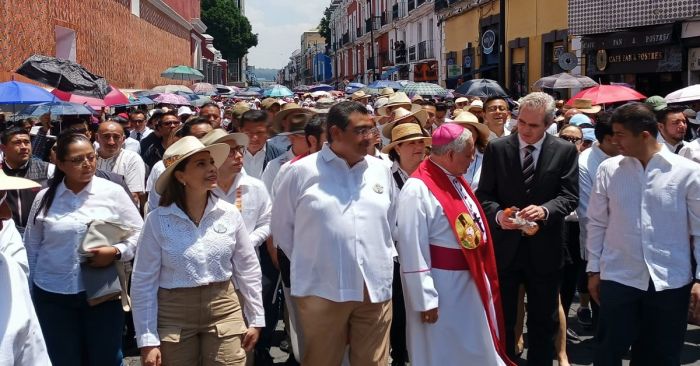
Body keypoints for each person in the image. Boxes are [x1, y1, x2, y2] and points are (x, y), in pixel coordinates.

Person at [271, 101, 397, 366]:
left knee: (374, 361)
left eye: (372, 129)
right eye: (361, 130)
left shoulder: (381, 170)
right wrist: (318, 261)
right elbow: (283, 230)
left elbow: (389, 221)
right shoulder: (298, 172)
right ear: (336, 133)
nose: (370, 137)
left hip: (374, 289)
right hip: (322, 291)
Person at [131, 136, 265, 366]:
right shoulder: (157, 221)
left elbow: (248, 268)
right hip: (173, 312)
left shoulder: (229, 213)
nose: (212, 168)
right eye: (201, 164)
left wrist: (256, 317)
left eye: (211, 162)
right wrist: (147, 339)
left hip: (224, 306)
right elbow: (143, 281)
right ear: (181, 176)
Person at [586, 102, 700, 366]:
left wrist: (698, 279)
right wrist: (593, 269)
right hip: (618, 276)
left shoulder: (687, 172)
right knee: (608, 352)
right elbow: (596, 223)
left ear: (645, 135)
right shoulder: (609, 169)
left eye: (621, 135)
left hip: (669, 281)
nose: (615, 141)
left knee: (661, 355)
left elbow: (698, 229)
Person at [23, 132, 144, 366]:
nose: (87, 164)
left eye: (91, 157)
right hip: (52, 294)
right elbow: (32, 246)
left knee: (106, 358)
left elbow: (140, 234)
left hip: (101, 294)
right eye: (78, 160)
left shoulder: (113, 192)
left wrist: (117, 251)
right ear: (59, 162)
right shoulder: (45, 197)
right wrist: (30, 294)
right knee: (62, 359)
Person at [397, 123, 513, 365]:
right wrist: (425, 299)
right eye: (469, 154)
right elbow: (412, 248)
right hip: (442, 288)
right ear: (450, 154)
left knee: (474, 348)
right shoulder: (417, 188)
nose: (472, 159)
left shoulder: (455, 179)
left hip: (469, 280)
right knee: (446, 350)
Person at [477, 92, 579, 365]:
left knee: (543, 322)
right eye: (521, 122)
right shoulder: (497, 149)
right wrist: (500, 216)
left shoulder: (565, 150)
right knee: (505, 319)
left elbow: (569, 197)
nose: (525, 130)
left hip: (545, 250)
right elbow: (484, 196)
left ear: (547, 123)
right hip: (506, 250)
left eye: (533, 125)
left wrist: (545, 211)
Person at [382, 120, 431, 366]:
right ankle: (400, 358)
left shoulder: (432, 176)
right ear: (397, 148)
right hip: (397, 260)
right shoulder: (384, 179)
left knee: (427, 314)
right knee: (399, 317)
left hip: (431, 259)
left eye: (421, 142)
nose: (418, 148)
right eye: (411, 143)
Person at [576, 113, 618, 330]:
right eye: (620, 135)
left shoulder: (628, 157)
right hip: (599, 245)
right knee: (603, 305)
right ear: (609, 138)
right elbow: (587, 213)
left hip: (628, 248)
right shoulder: (585, 163)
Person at [1, 127, 55, 234]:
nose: (24, 147)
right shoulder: (1, 173)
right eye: (17, 143)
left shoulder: (48, 170)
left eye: (27, 142)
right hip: (7, 234)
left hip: (40, 232)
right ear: (3, 148)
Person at [95, 121, 147, 205]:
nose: (111, 142)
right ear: (97, 138)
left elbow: (134, 196)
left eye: (116, 137)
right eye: (106, 136)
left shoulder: (131, 159)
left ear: (123, 139)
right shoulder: (89, 159)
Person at [261, 114, 311, 192]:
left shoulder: (322, 161)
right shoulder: (275, 166)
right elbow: (266, 198)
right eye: (307, 137)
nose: (313, 140)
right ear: (291, 138)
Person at [239, 110, 286, 179]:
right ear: (240, 131)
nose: (254, 138)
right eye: (248, 133)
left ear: (268, 132)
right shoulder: (229, 156)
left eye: (259, 132)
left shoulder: (280, 157)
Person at [450, 111, 491, 190]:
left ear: (477, 134)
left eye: (468, 130)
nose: (463, 134)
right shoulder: (443, 156)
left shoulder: (488, 158)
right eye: (459, 129)